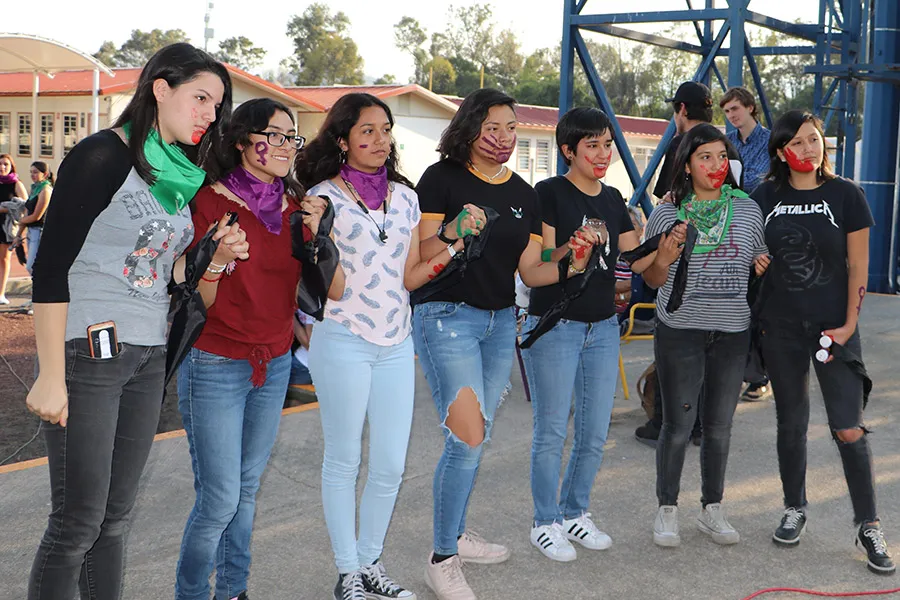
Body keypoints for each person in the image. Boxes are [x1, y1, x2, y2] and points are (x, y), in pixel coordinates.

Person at [25, 43, 238, 600]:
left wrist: (211, 257)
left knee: (114, 519)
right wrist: (49, 374)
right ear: (160, 88)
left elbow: (162, 272)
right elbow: (51, 268)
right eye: (200, 98)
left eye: (216, 105)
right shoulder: (103, 155)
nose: (209, 114)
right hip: (90, 348)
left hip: (147, 352)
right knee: (77, 522)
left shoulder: (174, 171)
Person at [413, 88, 596, 600]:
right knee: (466, 436)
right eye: (491, 128)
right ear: (469, 128)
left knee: (477, 436)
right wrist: (453, 228)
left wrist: (572, 257)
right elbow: (422, 253)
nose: (503, 138)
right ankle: (442, 558)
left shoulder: (523, 193)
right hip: (446, 316)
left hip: (499, 325)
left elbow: (533, 271)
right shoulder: (440, 178)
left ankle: (454, 533)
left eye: (511, 128)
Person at [296, 92, 445, 600]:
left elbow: (409, 275)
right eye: (367, 132)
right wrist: (315, 233)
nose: (380, 141)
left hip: (396, 342)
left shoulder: (406, 199)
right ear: (342, 140)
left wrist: (454, 243)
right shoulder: (323, 199)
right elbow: (330, 288)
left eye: (386, 130)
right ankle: (348, 574)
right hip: (343, 340)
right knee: (343, 459)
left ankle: (370, 562)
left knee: (390, 464)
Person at [175, 98, 324, 600]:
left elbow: (306, 292)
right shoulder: (210, 203)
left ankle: (233, 591)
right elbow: (198, 301)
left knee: (245, 492)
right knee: (219, 500)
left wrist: (318, 237)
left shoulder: (295, 207)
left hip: (275, 362)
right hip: (216, 361)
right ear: (242, 142)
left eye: (291, 137)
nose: (284, 147)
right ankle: (193, 593)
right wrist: (215, 257)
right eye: (274, 135)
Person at [752, 110, 894, 575]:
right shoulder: (766, 195)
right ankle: (795, 507)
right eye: (797, 142)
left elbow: (859, 267)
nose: (808, 149)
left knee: (848, 427)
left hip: (834, 329)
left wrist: (850, 325)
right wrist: (756, 258)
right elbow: (748, 242)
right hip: (782, 327)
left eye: (814, 140)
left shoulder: (846, 195)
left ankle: (868, 524)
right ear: (780, 152)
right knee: (790, 423)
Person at [522, 107, 644, 562]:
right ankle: (545, 521)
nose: (603, 153)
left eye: (608, 144)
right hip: (556, 324)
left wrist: (668, 241)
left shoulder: (613, 199)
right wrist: (572, 248)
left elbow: (639, 256)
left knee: (593, 432)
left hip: (603, 326)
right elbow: (539, 263)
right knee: (551, 431)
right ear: (568, 150)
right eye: (592, 145)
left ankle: (575, 512)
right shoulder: (549, 193)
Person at [638, 123, 767, 549]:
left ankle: (713, 508)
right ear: (687, 166)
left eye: (720, 156)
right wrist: (664, 256)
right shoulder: (667, 214)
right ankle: (667, 509)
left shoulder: (748, 210)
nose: (714, 165)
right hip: (680, 330)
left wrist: (761, 267)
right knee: (677, 425)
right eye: (703, 157)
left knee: (720, 426)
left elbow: (754, 268)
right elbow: (654, 280)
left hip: (731, 331)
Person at [637, 81, 714, 446]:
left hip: (680, 254)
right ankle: (699, 422)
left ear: (681, 109)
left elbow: (667, 202)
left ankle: (665, 422)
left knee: (672, 343)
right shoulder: (725, 149)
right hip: (718, 256)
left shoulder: (682, 145)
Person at [720, 86, 773, 402]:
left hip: (762, 230)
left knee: (758, 305)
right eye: (727, 112)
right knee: (737, 303)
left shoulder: (769, 142)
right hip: (734, 229)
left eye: (736, 109)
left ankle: (759, 374)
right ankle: (743, 371)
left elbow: (768, 180)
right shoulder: (727, 143)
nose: (732, 116)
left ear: (751, 108)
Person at [14, 162, 54, 275]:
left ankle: (42, 290)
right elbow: (27, 213)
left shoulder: (46, 190)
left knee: (32, 266)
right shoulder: (34, 188)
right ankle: (38, 290)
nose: (32, 175)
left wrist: (19, 221)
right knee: (34, 266)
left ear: (45, 174)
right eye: (31, 172)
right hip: (31, 231)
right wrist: (18, 234)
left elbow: (36, 216)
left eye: (36, 172)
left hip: (39, 231)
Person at [0, 153, 28, 304]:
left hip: (6, 226)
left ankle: (1, 293)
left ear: (11, 167)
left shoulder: (16, 183)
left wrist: (5, 209)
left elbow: (24, 205)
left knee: (4, 259)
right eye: (0, 164)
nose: (2, 167)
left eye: (6, 164)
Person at [289, 310, 314, 386]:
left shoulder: (315, 305)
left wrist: (290, 315)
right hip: (300, 361)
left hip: (303, 365)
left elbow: (310, 345)